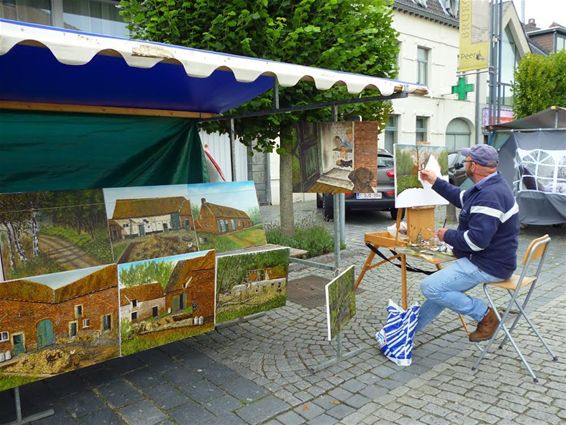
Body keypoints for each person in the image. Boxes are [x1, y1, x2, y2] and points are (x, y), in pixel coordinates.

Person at [416, 144, 519, 342]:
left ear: (475, 166)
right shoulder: (489, 185)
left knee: (430, 287)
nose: (464, 164)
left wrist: (447, 235)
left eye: (467, 160)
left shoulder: (490, 196)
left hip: (489, 264)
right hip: (489, 259)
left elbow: (477, 241)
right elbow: (461, 197)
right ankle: (408, 331)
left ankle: (486, 315)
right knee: (441, 290)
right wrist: (435, 181)